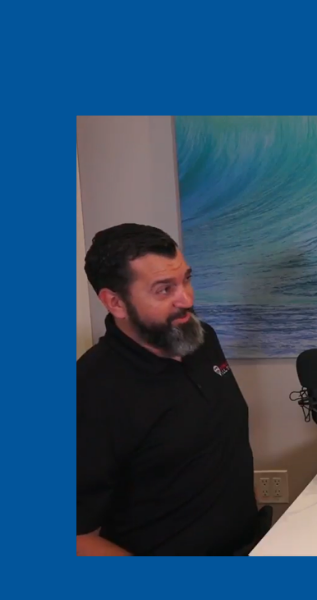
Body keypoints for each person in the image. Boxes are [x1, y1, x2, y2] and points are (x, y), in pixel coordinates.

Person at [77, 223, 259, 556]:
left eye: (186, 279)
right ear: (115, 302)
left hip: (250, 544)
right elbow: (76, 537)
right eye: (164, 289)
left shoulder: (200, 338)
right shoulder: (92, 388)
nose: (186, 298)